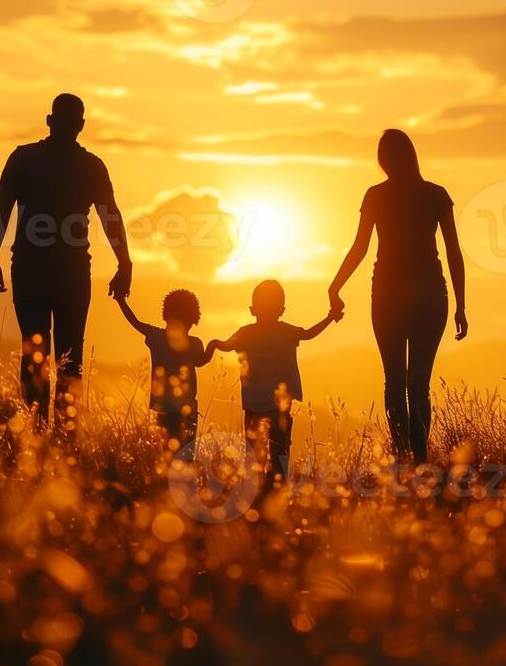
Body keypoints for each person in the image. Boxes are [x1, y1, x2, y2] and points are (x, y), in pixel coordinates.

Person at [0, 94, 133, 435]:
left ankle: (60, 440)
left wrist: (125, 262)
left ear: (79, 125)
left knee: (66, 358)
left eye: (72, 122)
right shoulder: (26, 160)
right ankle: (40, 440)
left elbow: (110, 216)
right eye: (63, 121)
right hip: (38, 271)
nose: (67, 128)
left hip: (65, 274)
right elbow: (1, 209)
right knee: (41, 353)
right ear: (50, 121)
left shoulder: (85, 166)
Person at [328, 129, 467, 465]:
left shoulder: (377, 195)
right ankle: (417, 459)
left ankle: (406, 458)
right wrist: (461, 305)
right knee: (417, 381)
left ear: (384, 160)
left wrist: (335, 287)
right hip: (428, 296)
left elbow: (360, 248)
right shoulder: (434, 194)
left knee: (396, 380)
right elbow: (453, 253)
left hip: (391, 295)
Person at [207, 280, 338, 487]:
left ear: (252, 309)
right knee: (280, 448)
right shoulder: (285, 332)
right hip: (278, 405)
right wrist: (330, 317)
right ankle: (278, 485)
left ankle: (258, 487)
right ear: (282, 310)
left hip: (255, 403)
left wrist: (212, 345)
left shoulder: (246, 333)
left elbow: (224, 345)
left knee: (256, 449)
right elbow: (309, 333)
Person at [116, 287, 212, 459]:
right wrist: (213, 345)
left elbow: (135, 322)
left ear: (166, 315)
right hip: (187, 410)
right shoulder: (195, 344)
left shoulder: (157, 337)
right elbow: (202, 361)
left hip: (163, 409)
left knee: (164, 456)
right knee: (186, 456)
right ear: (193, 319)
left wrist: (121, 300)